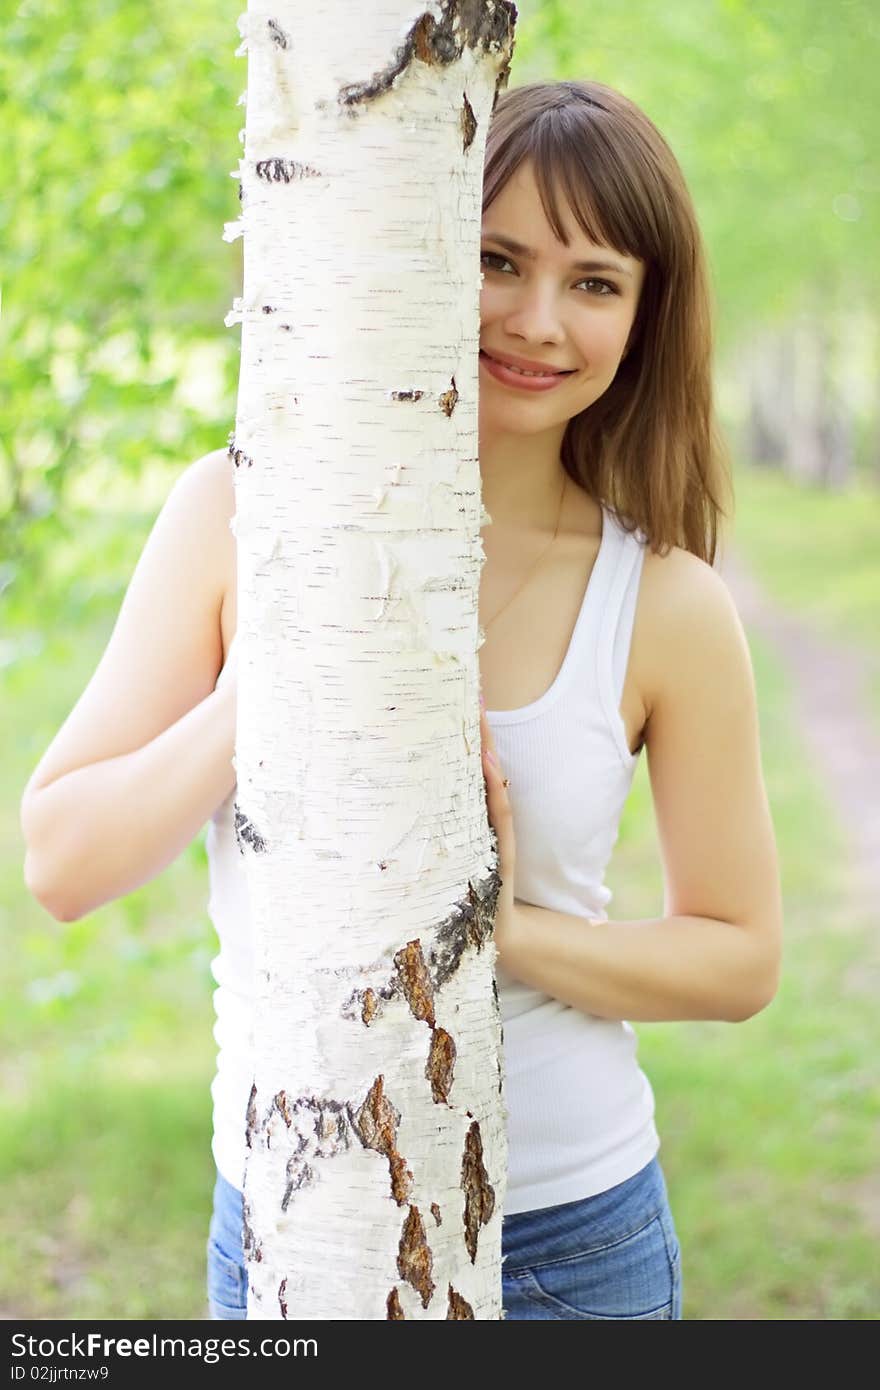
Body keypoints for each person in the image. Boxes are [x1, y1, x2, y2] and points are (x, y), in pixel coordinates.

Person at [20, 78, 783, 1321]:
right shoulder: (237, 516)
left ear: (645, 316)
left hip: (566, 1238)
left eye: (595, 280)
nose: (539, 319)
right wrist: (279, 672)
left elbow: (739, 955)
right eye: (497, 259)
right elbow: (62, 861)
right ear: (420, 248)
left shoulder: (666, 602)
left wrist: (495, 931)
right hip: (292, 1211)